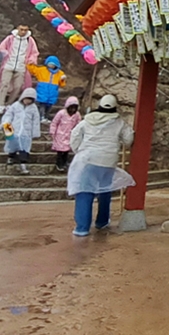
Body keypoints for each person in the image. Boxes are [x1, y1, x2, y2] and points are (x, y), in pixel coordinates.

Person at [68, 94, 135, 236]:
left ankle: (82, 228)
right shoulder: (119, 122)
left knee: (85, 192)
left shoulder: (87, 120)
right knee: (105, 191)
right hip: (108, 161)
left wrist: (78, 151)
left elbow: (75, 135)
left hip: (88, 159)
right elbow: (129, 139)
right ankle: (102, 221)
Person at [0, 25, 38, 112]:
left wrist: (31, 60)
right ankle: (1, 105)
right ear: (18, 29)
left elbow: (34, 52)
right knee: (4, 84)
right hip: (8, 65)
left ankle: (9, 104)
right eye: (21, 29)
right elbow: (1, 47)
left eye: (25, 30)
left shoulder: (30, 40)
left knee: (18, 86)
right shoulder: (10, 38)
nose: (23, 32)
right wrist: (3, 52)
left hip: (21, 67)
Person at [0, 87, 41, 174]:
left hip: (26, 132)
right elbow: (9, 115)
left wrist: (35, 132)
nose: (28, 101)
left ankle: (23, 165)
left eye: (30, 99)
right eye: (27, 99)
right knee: (12, 145)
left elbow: (36, 121)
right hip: (14, 129)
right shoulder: (15, 105)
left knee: (24, 148)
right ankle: (11, 157)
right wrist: (6, 124)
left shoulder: (33, 108)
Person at [28, 56, 67, 121]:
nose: (51, 65)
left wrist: (62, 80)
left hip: (53, 93)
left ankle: (46, 117)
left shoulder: (60, 73)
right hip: (42, 91)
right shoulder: (42, 70)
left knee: (49, 107)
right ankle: (42, 117)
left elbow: (62, 85)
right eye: (49, 64)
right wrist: (29, 63)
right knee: (42, 105)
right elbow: (33, 70)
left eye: (52, 64)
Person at [50, 96, 82, 172]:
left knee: (66, 150)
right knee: (60, 150)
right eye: (71, 108)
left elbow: (79, 124)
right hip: (60, 135)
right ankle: (59, 163)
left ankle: (64, 162)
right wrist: (52, 132)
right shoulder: (61, 113)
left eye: (74, 108)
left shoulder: (77, 115)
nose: (73, 110)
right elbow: (54, 123)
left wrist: (77, 133)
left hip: (69, 135)